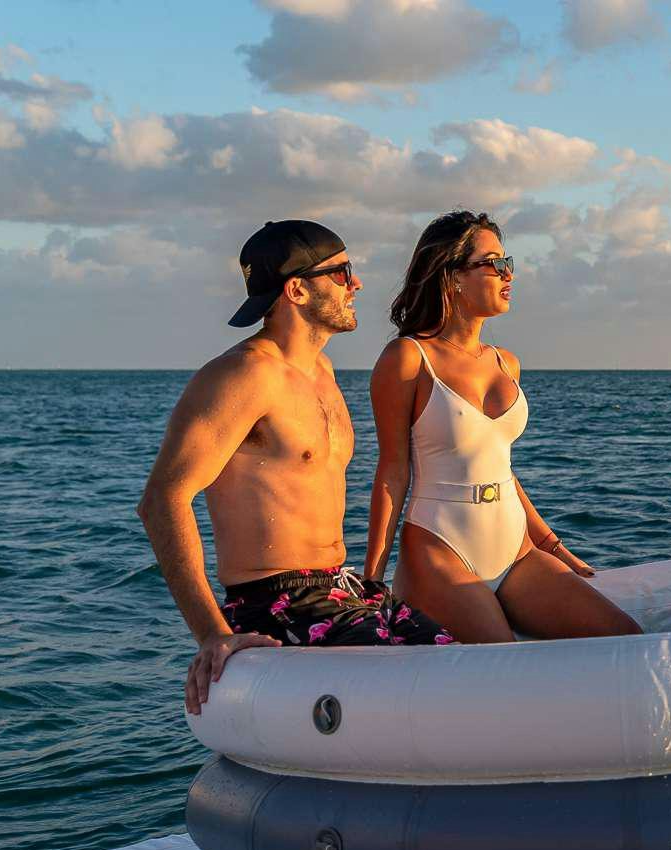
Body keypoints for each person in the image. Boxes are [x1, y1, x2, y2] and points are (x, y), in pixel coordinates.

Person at [139, 220, 454, 716]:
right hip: (275, 600)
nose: (356, 284)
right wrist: (212, 634)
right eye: (342, 272)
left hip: (342, 588)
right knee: (432, 694)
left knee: (464, 668)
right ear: (297, 290)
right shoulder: (245, 375)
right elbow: (162, 499)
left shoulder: (322, 372)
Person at [364, 210, 639, 643]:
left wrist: (555, 547)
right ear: (452, 276)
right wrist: (372, 580)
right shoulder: (408, 359)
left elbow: (500, 468)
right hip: (440, 547)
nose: (508, 274)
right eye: (493, 263)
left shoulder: (506, 362)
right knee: (504, 662)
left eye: (507, 262)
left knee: (624, 636)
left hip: (515, 548)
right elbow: (392, 471)